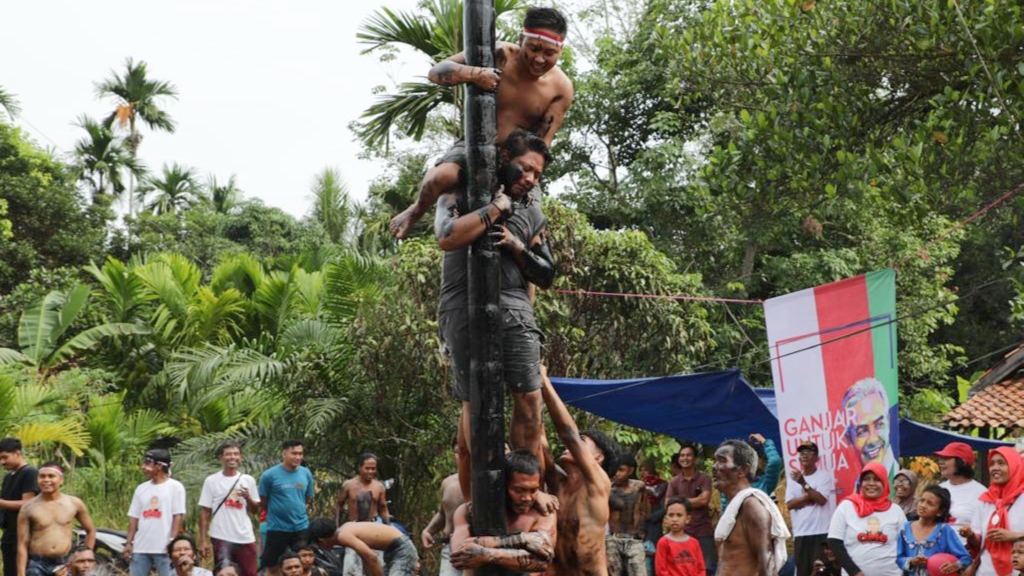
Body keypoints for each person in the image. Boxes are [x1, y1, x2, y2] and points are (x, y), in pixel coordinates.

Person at [435, 128, 557, 500]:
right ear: (503, 160)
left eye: (537, 174)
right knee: (476, 399)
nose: (530, 179)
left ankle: (524, 486)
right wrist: (494, 211)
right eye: (524, 169)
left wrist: (518, 247)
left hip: (516, 307)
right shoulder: (458, 195)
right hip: (463, 304)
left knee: (530, 397)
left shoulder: (533, 213)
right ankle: (479, 498)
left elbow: (547, 273)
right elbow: (447, 236)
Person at [388, 6, 574, 240]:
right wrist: (474, 74)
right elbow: (436, 73)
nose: (539, 58)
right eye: (534, 48)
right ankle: (416, 210)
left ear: (559, 51)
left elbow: (542, 144)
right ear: (521, 40)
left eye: (549, 53)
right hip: (474, 145)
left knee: (531, 232)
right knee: (438, 177)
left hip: (515, 161)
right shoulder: (500, 54)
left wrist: (529, 179)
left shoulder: (561, 88)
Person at [540, 367, 620, 576]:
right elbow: (537, 440)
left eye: (583, 442)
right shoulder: (558, 483)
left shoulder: (598, 484)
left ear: (597, 458)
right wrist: (530, 392)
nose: (568, 447)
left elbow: (569, 435)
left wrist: (544, 383)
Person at [449, 449, 557, 574]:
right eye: (519, 490)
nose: (527, 498)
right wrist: (525, 539)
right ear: (503, 485)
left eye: (533, 491)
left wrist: (488, 554)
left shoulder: (543, 513)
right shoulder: (468, 511)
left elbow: (542, 562)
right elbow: (458, 555)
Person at [712, 440, 790, 576]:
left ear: (742, 470)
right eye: (715, 461)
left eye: (722, 461)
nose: (714, 467)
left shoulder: (751, 506)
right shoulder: (734, 508)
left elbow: (767, 564)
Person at [826, 462, 907, 576]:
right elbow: (834, 542)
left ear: (884, 483)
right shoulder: (846, 507)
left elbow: (905, 544)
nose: (871, 483)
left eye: (877, 479)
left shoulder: (896, 511)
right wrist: (855, 572)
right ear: (861, 482)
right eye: (867, 479)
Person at [16, 463, 96, 576]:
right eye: (42, 476)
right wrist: (21, 573)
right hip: (37, 564)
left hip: (64, 563)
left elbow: (91, 531)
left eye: (51, 476)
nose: (46, 480)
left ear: (61, 480)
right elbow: (22, 545)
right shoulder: (28, 507)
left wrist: (84, 556)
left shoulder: (74, 503)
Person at [198, 441, 260, 576]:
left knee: (250, 573)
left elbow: (255, 510)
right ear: (221, 458)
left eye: (236, 454)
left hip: (245, 536)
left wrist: (248, 497)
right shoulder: (211, 481)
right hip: (221, 536)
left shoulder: (248, 480)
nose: (232, 457)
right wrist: (203, 541)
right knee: (223, 572)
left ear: (241, 457)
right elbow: (205, 511)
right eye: (228, 454)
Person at [961, 447, 1024, 576]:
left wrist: (1014, 536)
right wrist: (970, 535)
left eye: (1001, 463)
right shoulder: (984, 500)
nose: (994, 468)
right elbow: (979, 542)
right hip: (985, 571)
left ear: (1015, 466)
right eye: (992, 464)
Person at [123, 448, 185, 576]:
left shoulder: (175, 487)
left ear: (159, 466)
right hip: (140, 547)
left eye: (147, 463)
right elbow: (134, 518)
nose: (143, 467)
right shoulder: (141, 489)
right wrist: (129, 543)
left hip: (164, 548)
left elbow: (177, 516)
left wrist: (172, 542)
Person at [258, 440, 315, 573]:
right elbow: (263, 501)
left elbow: (307, 497)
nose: (298, 457)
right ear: (284, 454)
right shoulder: (269, 475)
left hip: (301, 527)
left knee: (303, 565)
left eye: (300, 454)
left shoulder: (306, 473)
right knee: (272, 565)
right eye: (294, 453)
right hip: (278, 528)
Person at [785, 441, 837, 576]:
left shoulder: (823, 477)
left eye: (809, 452)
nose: (805, 455)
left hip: (820, 532)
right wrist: (810, 496)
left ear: (817, 458)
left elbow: (821, 500)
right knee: (803, 572)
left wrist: (803, 483)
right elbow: (790, 505)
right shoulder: (792, 480)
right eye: (802, 453)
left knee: (820, 571)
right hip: (801, 534)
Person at [896, 484, 971, 576]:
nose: (923, 505)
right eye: (922, 500)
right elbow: (899, 558)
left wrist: (955, 565)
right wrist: (911, 561)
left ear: (940, 512)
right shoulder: (905, 528)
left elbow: (966, 558)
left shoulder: (944, 530)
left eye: (930, 504)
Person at [664, 442, 714, 575]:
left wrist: (679, 502)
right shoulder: (674, 481)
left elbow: (704, 500)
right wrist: (693, 501)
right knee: (681, 567)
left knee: (704, 568)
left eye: (688, 455)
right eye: (682, 455)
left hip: (702, 530)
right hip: (681, 531)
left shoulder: (704, 478)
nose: (685, 458)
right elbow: (667, 504)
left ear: (695, 459)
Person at [421, 437, 464, 576]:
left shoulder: (489, 482)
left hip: (476, 548)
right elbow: (443, 513)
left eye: (467, 452)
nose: (462, 457)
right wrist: (428, 531)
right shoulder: (448, 483)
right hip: (450, 549)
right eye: (458, 452)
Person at [841, 378, 898, 478]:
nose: (873, 439)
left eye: (879, 425)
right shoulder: (858, 487)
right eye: (862, 431)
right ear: (848, 439)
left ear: (888, 422)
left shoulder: (897, 483)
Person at [934, 442, 987, 545]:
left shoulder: (981, 493)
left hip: (965, 553)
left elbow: (984, 534)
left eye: (946, 459)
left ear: (961, 462)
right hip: (936, 549)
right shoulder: (939, 489)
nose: (940, 462)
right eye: (940, 459)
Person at [0, 438, 39, 576]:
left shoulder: (30, 473)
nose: (2, 462)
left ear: (17, 453)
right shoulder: (8, 477)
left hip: (24, 534)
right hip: (9, 534)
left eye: (5, 457)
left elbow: (28, 504)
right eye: (0, 458)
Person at [607, 454, 650, 576]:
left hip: (634, 539)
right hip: (612, 539)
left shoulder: (639, 487)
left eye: (621, 470)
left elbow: (645, 510)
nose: (617, 473)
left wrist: (642, 532)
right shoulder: (608, 488)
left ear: (630, 470)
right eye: (615, 469)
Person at [720, 433, 783, 509]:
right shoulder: (729, 486)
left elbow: (774, 461)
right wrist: (764, 441)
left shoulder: (765, 482)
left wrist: (764, 441)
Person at [334, 523, 418, 576]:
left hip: (402, 549)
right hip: (391, 552)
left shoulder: (343, 536)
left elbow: (372, 558)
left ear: (322, 540)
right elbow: (366, 559)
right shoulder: (345, 528)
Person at [335, 453, 390, 526]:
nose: (370, 471)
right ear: (360, 468)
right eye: (367, 468)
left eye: (373, 469)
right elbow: (339, 505)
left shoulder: (379, 487)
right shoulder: (348, 485)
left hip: (373, 524)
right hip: (353, 524)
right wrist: (336, 525)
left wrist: (388, 525)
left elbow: (383, 508)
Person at [655, 497, 705, 576]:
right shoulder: (664, 542)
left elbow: (700, 568)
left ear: (687, 519)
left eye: (679, 515)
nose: (674, 519)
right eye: (671, 515)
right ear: (666, 518)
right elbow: (661, 570)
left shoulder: (694, 543)